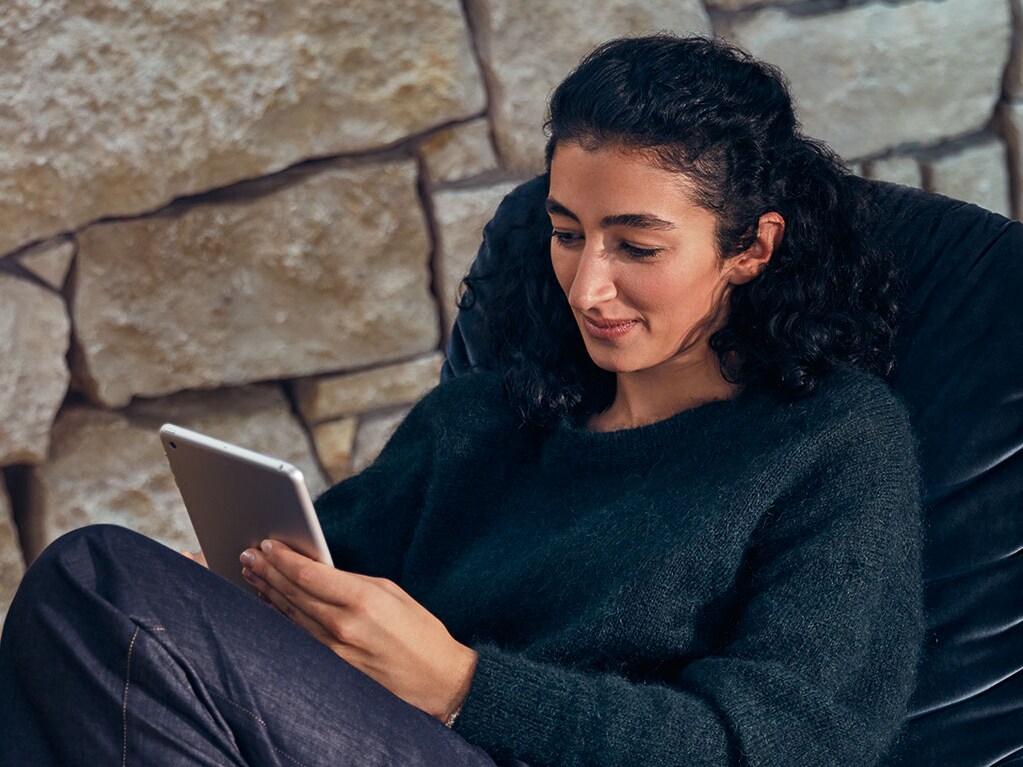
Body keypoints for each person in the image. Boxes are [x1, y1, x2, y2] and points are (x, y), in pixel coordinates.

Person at [0, 34, 923, 767]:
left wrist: (462, 686)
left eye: (636, 247)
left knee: (97, 579)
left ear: (751, 247)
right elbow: (317, 575)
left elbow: (784, 746)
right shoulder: (486, 419)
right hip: (381, 735)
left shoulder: (831, 443)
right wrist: (244, 592)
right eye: (566, 233)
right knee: (106, 628)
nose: (588, 287)